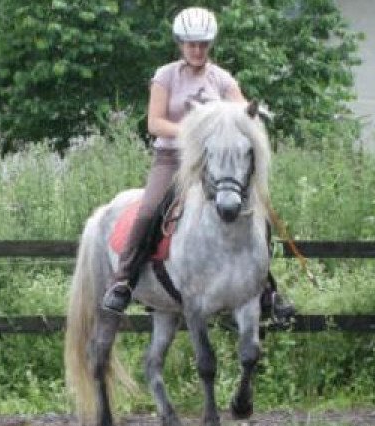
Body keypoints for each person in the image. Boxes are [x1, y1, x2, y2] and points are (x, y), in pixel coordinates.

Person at [102, 7, 294, 320]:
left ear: (210, 44)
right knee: (150, 210)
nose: (197, 50)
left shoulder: (221, 78)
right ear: (180, 44)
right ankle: (123, 279)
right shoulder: (165, 76)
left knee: (255, 211)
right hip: (172, 159)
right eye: (191, 44)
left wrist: (254, 114)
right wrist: (197, 133)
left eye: (203, 44)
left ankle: (266, 287)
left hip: (213, 164)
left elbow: (241, 109)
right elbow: (155, 123)